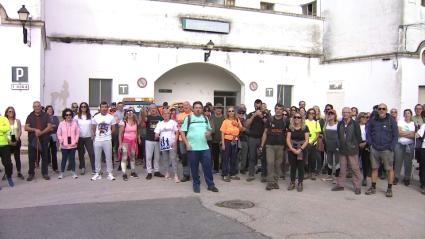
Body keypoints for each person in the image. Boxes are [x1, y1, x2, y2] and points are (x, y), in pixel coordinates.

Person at [181, 101, 219, 193]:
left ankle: (211, 185)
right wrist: (187, 144)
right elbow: (182, 132)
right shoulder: (188, 118)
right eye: (196, 107)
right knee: (194, 168)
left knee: (207, 167)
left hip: (205, 148)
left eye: (200, 108)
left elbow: (210, 130)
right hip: (193, 148)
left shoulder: (205, 118)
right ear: (193, 109)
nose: (198, 109)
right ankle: (196, 184)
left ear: (202, 109)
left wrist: (209, 133)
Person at [366, 103, 398, 197]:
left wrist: (391, 147)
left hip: (387, 149)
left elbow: (395, 135)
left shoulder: (391, 120)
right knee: (374, 168)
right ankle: (373, 187)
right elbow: (368, 133)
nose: (381, 110)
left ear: (386, 110)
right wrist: (370, 144)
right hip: (375, 148)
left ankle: (389, 189)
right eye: (379, 109)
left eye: (383, 109)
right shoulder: (373, 120)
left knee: (389, 169)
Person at [331, 107, 362, 195]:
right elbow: (338, 135)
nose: (345, 114)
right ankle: (340, 185)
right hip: (342, 149)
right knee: (342, 168)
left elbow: (358, 137)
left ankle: (357, 187)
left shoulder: (355, 123)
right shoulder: (340, 123)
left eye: (347, 112)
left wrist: (354, 145)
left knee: (355, 168)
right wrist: (339, 145)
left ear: (350, 113)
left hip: (352, 149)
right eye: (343, 112)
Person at [25, 101, 53, 181]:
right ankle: (31, 173)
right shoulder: (30, 116)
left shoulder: (46, 115)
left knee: (44, 157)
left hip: (44, 140)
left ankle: (45, 173)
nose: (37, 108)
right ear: (33, 107)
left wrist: (41, 133)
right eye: (35, 106)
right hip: (33, 140)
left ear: (41, 107)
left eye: (38, 106)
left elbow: (49, 126)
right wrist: (34, 130)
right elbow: (26, 128)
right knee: (31, 158)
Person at [261, 103, 287, 190]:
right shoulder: (270, 119)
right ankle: (270, 182)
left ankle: (275, 182)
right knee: (270, 163)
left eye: (280, 109)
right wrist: (262, 145)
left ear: (283, 111)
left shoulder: (285, 121)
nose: (278, 110)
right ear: (274, 109)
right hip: (270, 145)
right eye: (277, 108)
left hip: (280, 146)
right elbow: (265, 132)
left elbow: (288, 133)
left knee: (278, 164)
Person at [91, 101, 117, 181]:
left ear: (107, 108)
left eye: (106, 107)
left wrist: (108, 134)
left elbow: (113, 129)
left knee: (108, 157)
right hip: (98, 140)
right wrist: (96, 135)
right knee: (97, 157)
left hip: (107, 140)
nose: (104, 108)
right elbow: (94, 127)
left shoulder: (111, 117)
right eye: (103, 107)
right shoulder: (96, 117)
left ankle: (110, 173)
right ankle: (97, 173)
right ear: (100, 108)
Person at [154, 108, 179, 182]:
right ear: (162, 115)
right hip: (163, 144)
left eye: (168, 113)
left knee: (173, 159)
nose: (166, 115)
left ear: (170, 114)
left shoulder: (173, 122)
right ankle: (167, 173)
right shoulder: (160, 123)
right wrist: (156, 135)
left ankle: (176, 175)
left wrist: (175, 141)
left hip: (172, 143)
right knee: (165, 159)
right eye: (164, 113)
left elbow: (177, 132)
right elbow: (156, 132)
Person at [286, 112, 309, 192]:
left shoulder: (305, 127)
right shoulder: (290, 127)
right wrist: (292, 149)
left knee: (301, 167)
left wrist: (300, 149)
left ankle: (300, 182)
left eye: (298, 117)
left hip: (302, 149)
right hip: (291, 149)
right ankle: (292, 182)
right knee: (293, 166)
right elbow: (288, 139)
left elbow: (306, 140)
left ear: (301, 119)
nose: (297, 118)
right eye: (295, 117)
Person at [246, 99, 267, 182]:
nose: (257, 106)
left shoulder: (265, 114)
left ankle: (263, 175)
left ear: (261, 105)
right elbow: (247, 124)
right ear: (254, 105)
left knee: (263, 157)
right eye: (256, 104)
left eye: (259, 105)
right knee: (251, 157)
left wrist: (261, 116)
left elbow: (267, 123)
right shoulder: (251, 114)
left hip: (262, 138)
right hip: (252, 138)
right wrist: (254, 115)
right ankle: (251, 175)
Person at [220, 106, 242, 182]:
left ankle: (232, 174)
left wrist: (237, 125)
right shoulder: (225, 121)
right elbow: (222, 133)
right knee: (226, 158)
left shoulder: (237, 119)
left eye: (232, 111)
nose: (231, 112)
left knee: (234, 158)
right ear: (227, 113)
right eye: (229, 111)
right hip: (227, 140)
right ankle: (225, 174)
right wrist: (223, 144)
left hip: (235, 140)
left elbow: (241, 129)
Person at [142, 104, 164, 180]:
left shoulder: (160, 118)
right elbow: (143, 121)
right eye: (151, 108)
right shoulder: (147, 117)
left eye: (154, 108)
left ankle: (157, 171)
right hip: (149, 140)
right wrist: (144, 111)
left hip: (158, 140)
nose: (153, 109)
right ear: (149, 109)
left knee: (157, 157)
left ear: (156, 109)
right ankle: (149, 172)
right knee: (148, 157)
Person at [394, 109, 415, 186]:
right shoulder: (400, 122)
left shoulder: (413, 124)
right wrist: (409, 133)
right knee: (398, 161)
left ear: (411, 115)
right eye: (405, 113)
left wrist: (403, 133)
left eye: (408, 113)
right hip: (399, 144)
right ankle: (396, 177)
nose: (407, 114)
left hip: (410, 145)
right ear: (404, 115)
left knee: (408, 163)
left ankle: (407, 178)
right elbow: (398, 133)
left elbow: (414, 135)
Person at [57, 108, 80, 179]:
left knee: (72, 159)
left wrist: (76, 141)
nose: (68, 116)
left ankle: (73, 173)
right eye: (67, 115)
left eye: (70, 114)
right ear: (64, 116)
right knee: (64, 159)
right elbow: (58, 133)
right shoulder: (61, 124)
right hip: (64, 145)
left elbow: (77, 133)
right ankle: (62, 173)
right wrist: (61, 141)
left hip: (73, 145)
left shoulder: (75, 123)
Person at [118, 108, 140, 181]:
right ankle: (124, 173)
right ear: (126, 113)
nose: (129, 113)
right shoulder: (123, 122)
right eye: (128, 112)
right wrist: (120, 144)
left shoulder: (136, 122)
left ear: (133, 113)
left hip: (133, 142)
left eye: (131, 112)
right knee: (124, 158)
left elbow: (136, 132)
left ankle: (133, 172)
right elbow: (120, 134)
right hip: (125, 142)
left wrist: (137, 141)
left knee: (132, 157)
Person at [75, 102, 95, 175]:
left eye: (85, 106)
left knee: (91, 153)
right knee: (81, 153)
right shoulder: (77, 117)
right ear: (80, 108)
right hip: (80, 137)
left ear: (87, 108)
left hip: (88, 137)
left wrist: (93, 135)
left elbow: (93, 126)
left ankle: (94, 168)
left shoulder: (90, 116)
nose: (83, 108)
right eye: (82, 106)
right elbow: (74, 127)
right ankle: (82, 167)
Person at [5, 107, 24, 180]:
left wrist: (17, 139)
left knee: (17, 157)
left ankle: (19, 172)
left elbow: (19, 131)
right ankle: (8, 173)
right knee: (7, 159)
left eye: (12, 111)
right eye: (9, 111)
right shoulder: (4, 121)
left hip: (16, 141)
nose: (11, 113)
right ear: (7, 113)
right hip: (7, 142)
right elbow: (3, 132)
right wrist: (9, 141)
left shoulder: (17, 121)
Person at [176, 101, 192, 182]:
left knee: (193, 157)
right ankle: (186, 175)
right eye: (184, 105)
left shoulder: (193, 114)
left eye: (187, 105)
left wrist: (183, 122)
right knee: (184, 158)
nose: (185, 106)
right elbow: (178, 126)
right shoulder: (179, 115)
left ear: (190, 106)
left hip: (192, 139)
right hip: (182, 139)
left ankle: (195, 174)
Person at [322, 109, 339, 182]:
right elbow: (324, 135)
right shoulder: (326, 124)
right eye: (329, 114)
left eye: (332, 114)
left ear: (335, 115)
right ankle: (329, 176)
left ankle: (337, 178)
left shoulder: (338, 124)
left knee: (337, 162)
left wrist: (339, 145)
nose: (330, 115)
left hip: (337, 146)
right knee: (329, 161)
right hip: (328, 145)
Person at [304, 108, 321, 180]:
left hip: (313, 143)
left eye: (313, 113)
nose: (311, 115)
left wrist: (312, 141)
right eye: (310, 113)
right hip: (305, 143)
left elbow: (317, 134)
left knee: (313, 159)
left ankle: (313, 172)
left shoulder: (316, 123)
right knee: (305, 159)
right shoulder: (304, 122)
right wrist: (306, 141)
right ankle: (306, 172)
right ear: (307, 114)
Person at [210, 103, 225, 174]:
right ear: (214, 109)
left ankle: (222, 167)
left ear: (222, 109)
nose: (218, 109)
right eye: (217, 108)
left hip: (223, 140)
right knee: (215, 155)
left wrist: (223, 140)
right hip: (214, 140)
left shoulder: (224, 118)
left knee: (223, 155)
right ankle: (216, 168)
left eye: (220, 108)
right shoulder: (211, 117)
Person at [0, 113, 14, 188]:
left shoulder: (4, 119)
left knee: (8, 163)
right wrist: (3, 129)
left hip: (5, 144)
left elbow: (8, 129)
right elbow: (4, 129)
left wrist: (13, 139)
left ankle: (9, 177)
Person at [357, 112, 371, 186]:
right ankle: (356, 177)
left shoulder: (369, 126)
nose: (365, 119)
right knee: (355, 162)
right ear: (359, 118)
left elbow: (371, 136)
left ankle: (364, 178)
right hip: (357, 144)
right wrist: (358, 143)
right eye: (363, 117)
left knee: (365, 162)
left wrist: (365, 143)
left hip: (366, 144)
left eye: (367, 117)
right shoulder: (356, 126)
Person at [45, 105, 59, 173]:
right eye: (48, 109)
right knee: (47, 151)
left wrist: (49, 126)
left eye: (51, 109)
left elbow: (57, 125)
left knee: (54, 152)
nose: (50, 110)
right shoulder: (44, 118)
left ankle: (55, 167)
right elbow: (44, 126)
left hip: (53, 136)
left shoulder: (55, 117)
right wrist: (51, 126)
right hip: (46, 136)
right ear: (46, 110)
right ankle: (48, 164)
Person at [415, 110, 425, 195]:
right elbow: (418, 135)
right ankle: (423, 184)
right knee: (423, 167)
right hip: (424, 148)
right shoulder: (424, 125)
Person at [237, 107, 249, 174]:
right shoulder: (235, 120)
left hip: (244, 140)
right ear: (237, 113)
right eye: (240, 113)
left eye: (242, 113)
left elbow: (249, 130)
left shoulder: (246, 121)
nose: (241, 114)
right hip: (236, 139)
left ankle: (242, 169)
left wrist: (245, 129)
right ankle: (235, 169)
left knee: (244, 155)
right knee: (236, 156)